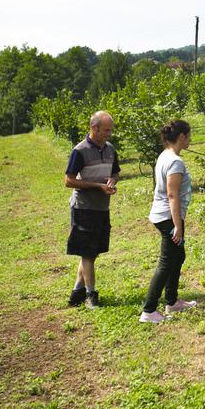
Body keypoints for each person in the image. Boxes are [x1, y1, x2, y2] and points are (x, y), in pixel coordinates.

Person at [140, 119, 198, 324]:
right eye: (188, 135)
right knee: (166, 262)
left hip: (165, 215)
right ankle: (148, 311)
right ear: (181, 137)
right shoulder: (175, 161)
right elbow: (172, 195)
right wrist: (177, 226)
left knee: (178, 256)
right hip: (168, 217)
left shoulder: (165, 155)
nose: (190, 139)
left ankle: (172, 301)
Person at [65, 111, 119, 309]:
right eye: (106, 130)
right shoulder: (80, 151)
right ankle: (91, 295)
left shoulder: (111, 149)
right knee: (88, 253)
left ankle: (76, 292)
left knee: (93, 252)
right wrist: (97, 186)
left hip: (102, 207)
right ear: (94, 128)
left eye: (110, 130)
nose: (109, 134)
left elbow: (115, 172)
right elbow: (69, 181)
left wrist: (112, 180)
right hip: (84, 208)